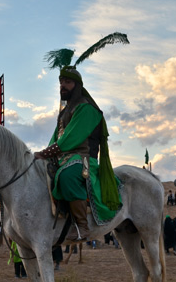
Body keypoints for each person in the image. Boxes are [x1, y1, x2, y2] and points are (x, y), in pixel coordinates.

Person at [33, 66, 121, 242]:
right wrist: (43, 155)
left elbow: (70, 138)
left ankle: (82, 226)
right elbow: (55, 139)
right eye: (61, 82)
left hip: (84, 158)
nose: (62, 86)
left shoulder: (87, 109)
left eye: (67, 82)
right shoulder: (64, 113)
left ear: (78, 85)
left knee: (67, 176)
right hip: (65, 157)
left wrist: (47, 152)